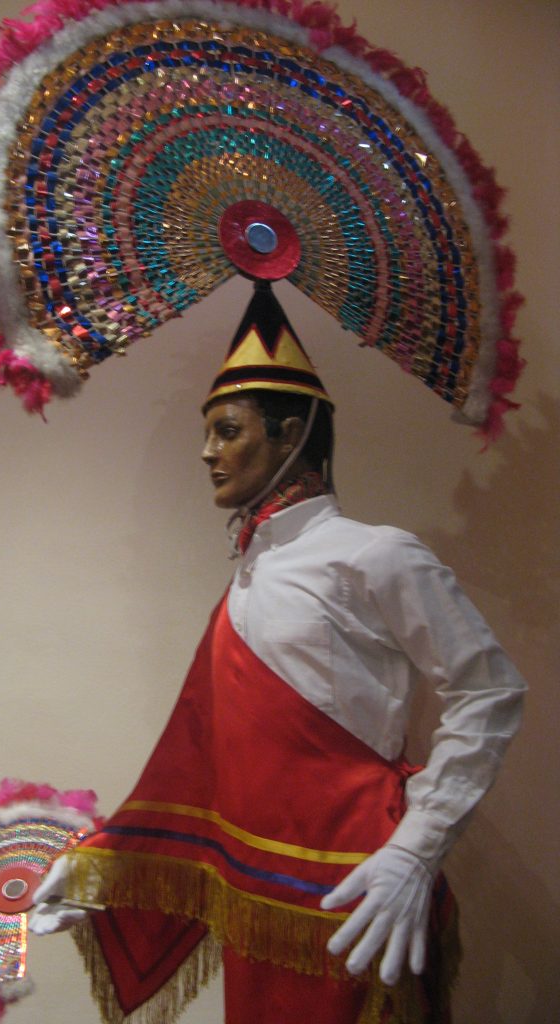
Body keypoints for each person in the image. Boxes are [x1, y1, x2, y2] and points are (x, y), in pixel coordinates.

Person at [30, 283, 526, 1024]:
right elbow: (204, 758)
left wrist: (415, 852)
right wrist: (107, 861)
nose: (207, 453)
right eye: (209, 432)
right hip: (253, 889)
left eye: (228, 429)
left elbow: (488, 693)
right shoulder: (248, 578)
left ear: (292, 432)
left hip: (357, 886)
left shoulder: (376, 555)